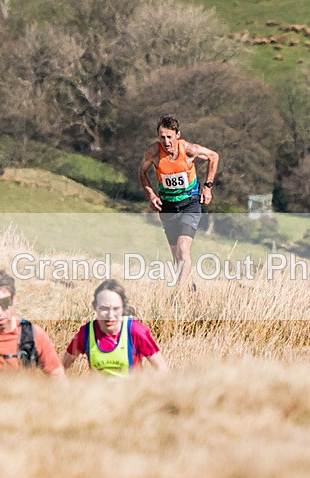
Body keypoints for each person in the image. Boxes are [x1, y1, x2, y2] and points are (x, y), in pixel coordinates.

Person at [138, 114, 219, 286]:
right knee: (177, 256)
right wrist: (151, 194)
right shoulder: (153, 152)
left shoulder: (189, 150)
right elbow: (142, 173)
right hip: (167, 206)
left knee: (183, 249)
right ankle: (189, 289)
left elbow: (214, 156)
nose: (166, 142)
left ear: (177, 135)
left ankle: (179, 295)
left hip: (190, 203)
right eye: (162, 137)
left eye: (169, 137)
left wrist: (208, 186)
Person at [62, 279, 168, 376]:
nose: (110, 315)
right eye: (104, 308)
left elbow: (162, 370)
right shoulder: (86, 333)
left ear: (123, 308)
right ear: (95, 307)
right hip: (98, 395)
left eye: (116, 309)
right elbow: (60, 369)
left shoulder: (136, 331)